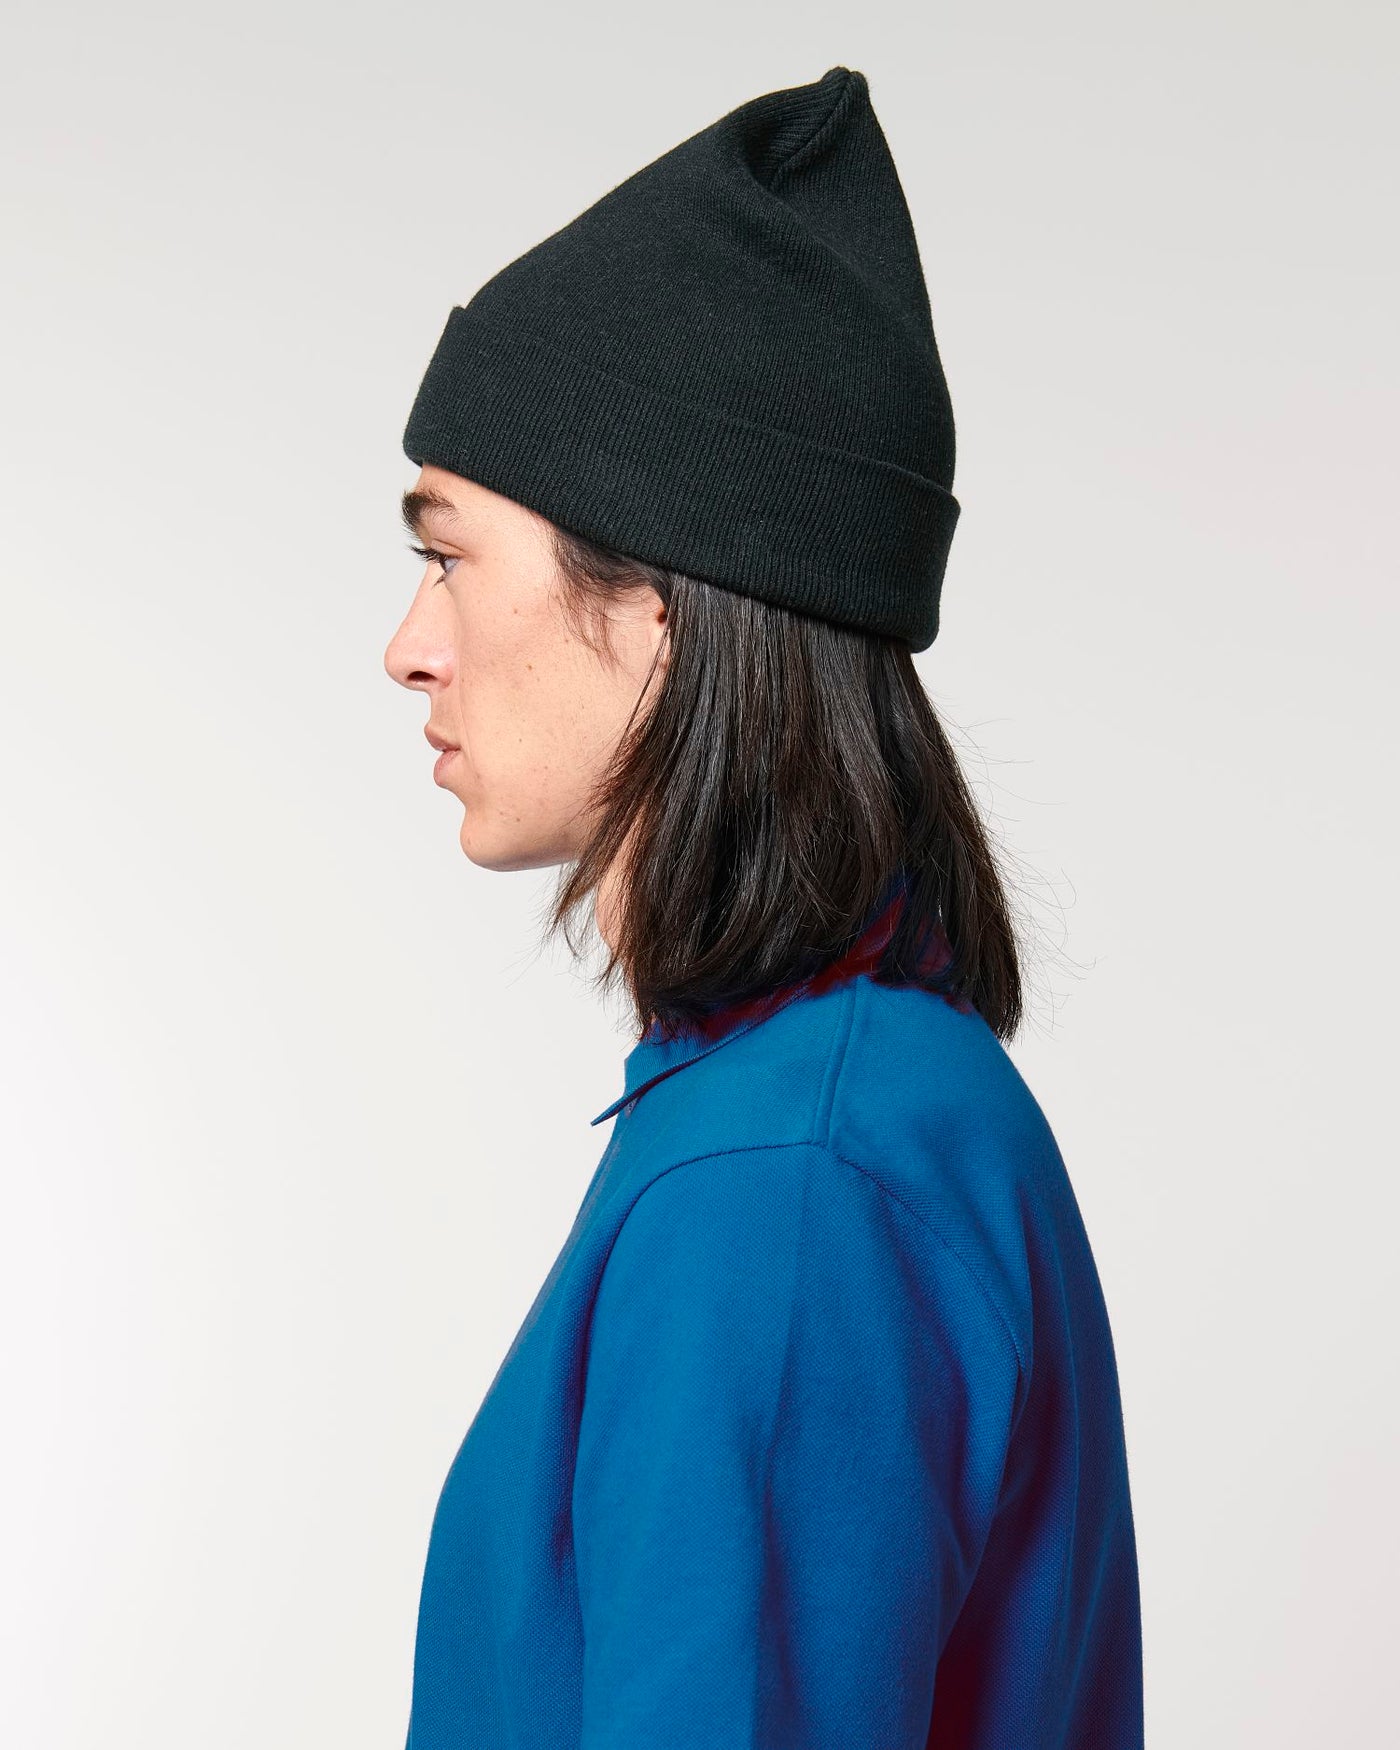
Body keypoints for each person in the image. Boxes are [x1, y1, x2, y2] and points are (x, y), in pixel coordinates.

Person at [383, 64, 1143, 1750]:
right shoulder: (853, 1110)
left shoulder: (785, 1184)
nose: (409, 646)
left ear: (653, 600)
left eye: (449, 554)